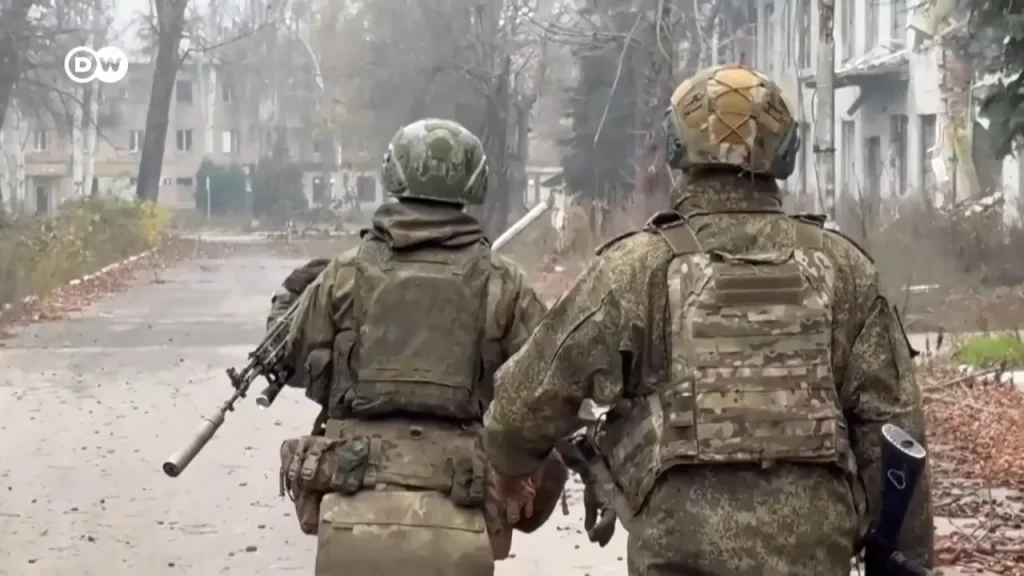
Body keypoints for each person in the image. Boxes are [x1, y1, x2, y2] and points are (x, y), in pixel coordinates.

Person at [483, 65, 934, 576]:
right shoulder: (844, 270)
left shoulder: (638, 269)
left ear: (678, 148)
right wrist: (905, 559)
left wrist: (512, 467)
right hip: (814, 553)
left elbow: (526, 398)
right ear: (786, 152)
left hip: (679, 554)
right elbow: (896, 431)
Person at [276, 118, 562, 576]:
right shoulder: (504, 282)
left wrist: (291, 296)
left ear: (395, 173)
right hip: (462, 515)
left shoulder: (344, 274)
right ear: (475, 181)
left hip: (351, 513)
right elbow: (549, 389)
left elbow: (287, 362)